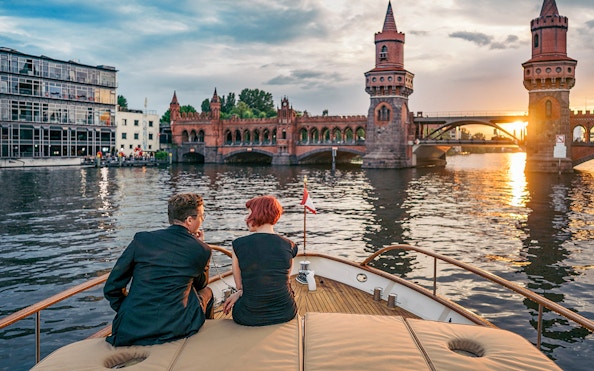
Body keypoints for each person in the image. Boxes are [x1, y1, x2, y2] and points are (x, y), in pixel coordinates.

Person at [103, 193, 213, 346]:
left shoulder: (142, 239)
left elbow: (112, 287)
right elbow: (201, 284)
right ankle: (205, 340)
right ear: (189, 220)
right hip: (176, 328)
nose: (202, 220)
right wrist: (200, 246)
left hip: (130, 327)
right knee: (208, 292)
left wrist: (127, 310)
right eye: (201, 216)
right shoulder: (201, 249)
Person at [223, 195, 298, 326]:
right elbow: (284, 280)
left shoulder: (238, 245)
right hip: (286, 313)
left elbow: (240, 286)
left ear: (258, 214)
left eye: (249, 214)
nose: (246, 218)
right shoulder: (290, 245)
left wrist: (238, 294)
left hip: (248, 316)